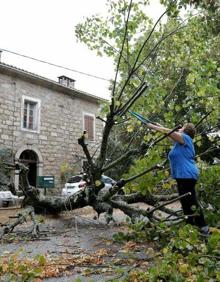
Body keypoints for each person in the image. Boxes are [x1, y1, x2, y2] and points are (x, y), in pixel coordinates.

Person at [146, 122, 209, 235]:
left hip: (187, 175)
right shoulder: (179, 143)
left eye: (182, 127)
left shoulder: (186, 138)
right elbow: (169, 133)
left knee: (191, 202)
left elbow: (169, 132)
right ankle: (190, 228)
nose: (179, 129)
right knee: (186, 203)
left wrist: (153, 127)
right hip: (183, 176)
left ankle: (203, 228)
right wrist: (159, 125)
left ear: (185, 130)